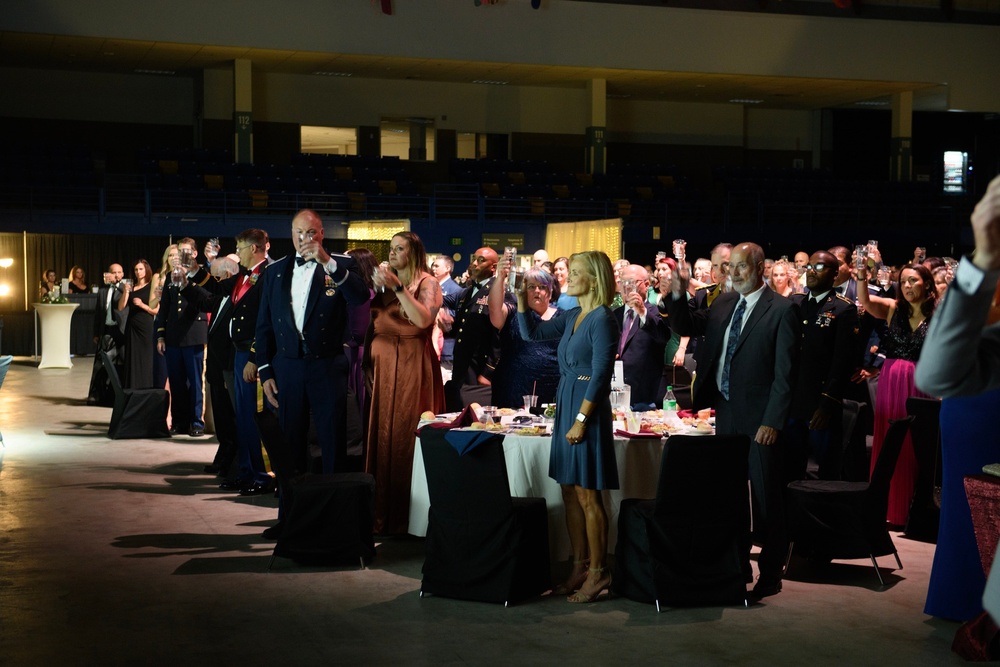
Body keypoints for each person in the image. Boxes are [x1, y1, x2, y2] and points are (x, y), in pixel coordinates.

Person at [666, 241, 798, 599]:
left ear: (760, 268)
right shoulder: (723, 302)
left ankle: (771, 573)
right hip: (725, 412)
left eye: (741, 267)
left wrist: (772, 421)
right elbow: (683, 323)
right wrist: (678, 290)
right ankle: (735, 567)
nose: (733, 274)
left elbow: (786, 375)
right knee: (731, 495)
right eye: (730, 267)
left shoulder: (782, 309)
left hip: (760, 420)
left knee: (767, 499)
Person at [915, 174, 1000, 621]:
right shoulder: (985, 275)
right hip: (976, 401)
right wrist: (982, 257)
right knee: (970, 510)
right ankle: (964, 600)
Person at [255, 209, 368, 537]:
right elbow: (264, 325)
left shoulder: (341, 266)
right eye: (298, 233)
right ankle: (290, 517)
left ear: (321, 234)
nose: (304, 239)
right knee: (289, 445)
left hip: (326, 366)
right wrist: (265, 370)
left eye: (311, 233)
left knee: (333, 443)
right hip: (287, 367)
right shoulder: (275, 271)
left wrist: (327, 262)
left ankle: (333, 519)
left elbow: (360, 298)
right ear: (291, 234)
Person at [519, 250, 619, 604]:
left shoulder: (602, 318)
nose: (567, 278)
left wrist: (581, 419)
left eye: (575, 273)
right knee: (568, 491)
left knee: (589, 495)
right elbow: (532, 333)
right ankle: (579, 566)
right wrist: (520, 300)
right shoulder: (575, 314)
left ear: (593, 279)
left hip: (585, 410)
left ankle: (598, 571)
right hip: (567, 401)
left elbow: (601, 373)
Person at [366, 232, 445, 534]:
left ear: (414, 253)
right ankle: (381, 512)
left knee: (405, 434)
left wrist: (398, 287)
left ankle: (407, 517)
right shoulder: (385, 283)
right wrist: (366, 363)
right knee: (384, 433)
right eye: (391, 249)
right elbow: (372, 324)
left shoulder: (428, 283)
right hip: (384, 367)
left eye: (400, 249)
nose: (394, 253)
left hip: (413, 366)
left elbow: (423, 320)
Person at [186, 230, 273, 494]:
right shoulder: (243, 276)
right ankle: (245, 471)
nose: (238, 251)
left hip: (250, 356)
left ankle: (262, 476)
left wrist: (256, 358)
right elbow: (215, 287)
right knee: (243, 418)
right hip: (238, 353)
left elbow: (266, 321)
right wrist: (193, 269)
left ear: (256, 248)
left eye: (240, 246)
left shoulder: (269, 274)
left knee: (255, 417)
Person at [856, 260, 937, 526]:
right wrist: (861, 276)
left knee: (916, 446)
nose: (907, 285)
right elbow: (866, 302)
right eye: (903, 281)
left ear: (926, 283)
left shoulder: (938, 313)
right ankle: (887, 510)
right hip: (892, 381)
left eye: (913, 280)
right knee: (891, 442)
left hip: (922, 383)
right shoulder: (893, 308)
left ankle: (914, 512)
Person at [786, 251, 859, 480]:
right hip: (793, 399)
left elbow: (842, 361)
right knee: (790, 467)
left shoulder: (843, 308)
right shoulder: (795, 303)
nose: (811, 271)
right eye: (809, 266)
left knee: (826, 470)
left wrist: (827, 403)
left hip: (821, 400)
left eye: (819, 267)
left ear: (835, 274)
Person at [154, 238, 208, 437]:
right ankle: (179, 421)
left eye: (186, 252)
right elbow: (165, 308)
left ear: (194, 254)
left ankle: (196, 422)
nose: (181, 256)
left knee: (195, 382)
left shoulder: (201, 274)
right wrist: (161, 335)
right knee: (176, 382)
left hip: (193, 333)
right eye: (179, 252)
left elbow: (205, 299)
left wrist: (188, 280)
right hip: (174, 335)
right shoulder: (170, 276)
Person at [488, 261, 560, 409]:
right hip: (512, 391)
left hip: (554, 392)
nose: (537, 291)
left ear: (551, 291)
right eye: (531, 287)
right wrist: (500, 277)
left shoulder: (563, 318)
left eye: (542, 287)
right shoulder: (513, 313)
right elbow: (494, 309)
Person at [443, 247, 502, 411]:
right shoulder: (467, 292)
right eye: (474, 259)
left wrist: (488, 372)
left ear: (493, 267)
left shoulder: (497, 292)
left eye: (481, 260)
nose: (474, 263)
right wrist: (448, 325)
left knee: (478, 417)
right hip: (462, 367)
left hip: (479, 369)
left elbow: (499, 338)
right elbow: (463, 328)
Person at [614, 264, 669, 408]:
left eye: (631, 283)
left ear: (646, 284)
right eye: (622, 282)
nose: (626, 287)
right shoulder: (614, 315)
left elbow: (663, 336)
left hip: (647, 395)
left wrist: (642, 311)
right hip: (617, 394)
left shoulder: (657, 312)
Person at [87, 263, 127, 405]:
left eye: (119, 272)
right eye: (113, 272)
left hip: (121, 331)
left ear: (122, 274)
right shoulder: (103, 292)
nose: (116, 275)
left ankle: (118, 395)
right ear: (108, 274)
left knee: (121, 363)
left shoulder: (126, 289)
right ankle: (96, 394)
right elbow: (98, 313)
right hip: (107, 330)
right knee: (100, 363)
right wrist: (96, 332)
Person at [118, 259, 158, 389]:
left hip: (146, 326)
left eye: (141, 269)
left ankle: (146, 387)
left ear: (146, 270)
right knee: (132, 357)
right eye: (136, 269)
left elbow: (156, 310)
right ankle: (132, 388)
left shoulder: (152, 286)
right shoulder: (131, 287)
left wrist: (142, 305)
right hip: (132, 326)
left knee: (146, 357)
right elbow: (121, 307)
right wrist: (126, 292)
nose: (138, 272)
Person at [430, 254, 462, 371]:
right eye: (433, 265)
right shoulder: (430, 286)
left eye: (437, 266)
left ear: (448, 268)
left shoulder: (456, 290)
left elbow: (460, 315)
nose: (433, 268)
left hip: (446, 345)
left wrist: (445, 314)